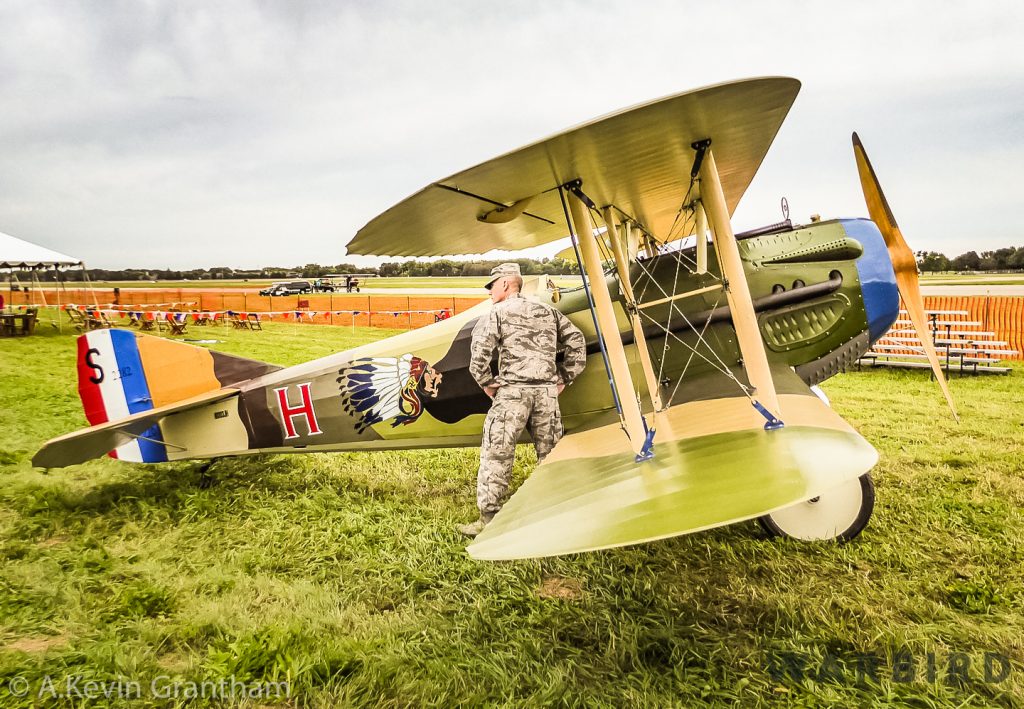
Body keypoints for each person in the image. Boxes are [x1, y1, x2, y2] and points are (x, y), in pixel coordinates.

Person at [458, 263, 587, 537]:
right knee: (551, 454)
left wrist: (486, 383)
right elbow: (576, 340)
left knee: (497, 453)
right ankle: (554, 515)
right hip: (546, 395)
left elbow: (478, 354)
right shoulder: (548, 311)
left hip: (513, 394)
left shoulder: (497, 313)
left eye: (492, 286)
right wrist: (565, 377)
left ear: (506, 284)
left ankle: (489, 519)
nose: (490, 292)